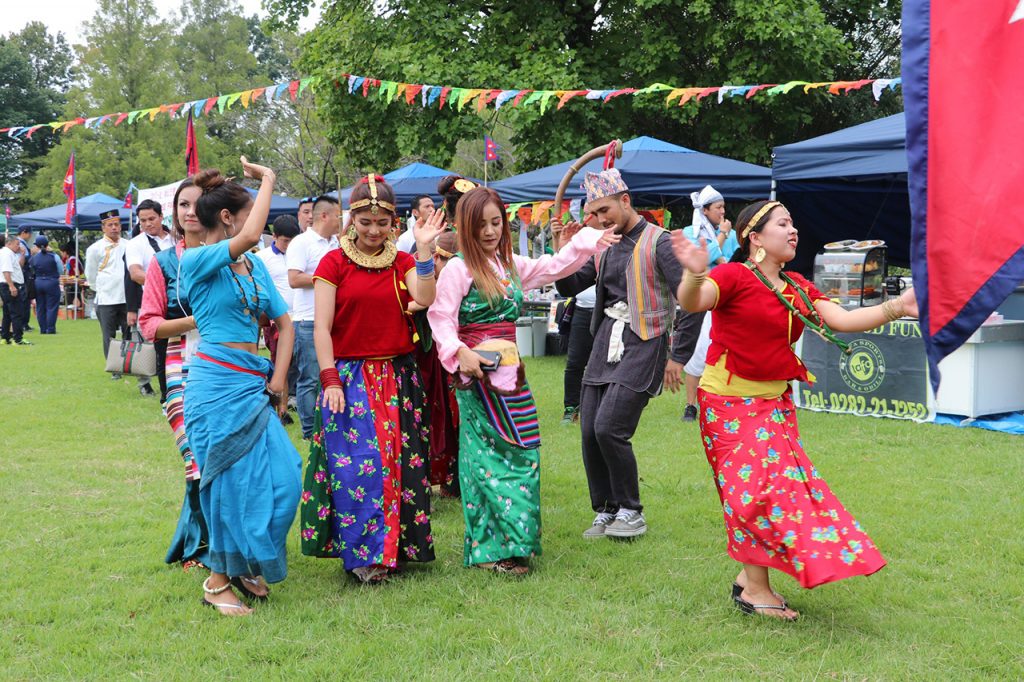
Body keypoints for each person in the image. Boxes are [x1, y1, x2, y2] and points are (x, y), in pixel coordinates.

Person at [672, 199, 916, 620]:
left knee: (773, 491)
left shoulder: (796, 287)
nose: (793, 230)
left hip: (773, 403)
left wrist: (899, 306)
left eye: (792, 224)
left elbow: (840, 319)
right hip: (727, 403)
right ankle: (756, 591)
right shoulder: (732, 276)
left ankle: (750, 581)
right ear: (755, 238)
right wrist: (695, 273)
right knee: (756, 493)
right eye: (782, 223)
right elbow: (694, 301)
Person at [429, 186, 618, 576]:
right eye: (480, 225)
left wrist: (586, 239)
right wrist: (458, 352)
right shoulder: (458, 269)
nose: (489, 231)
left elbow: (554, 266)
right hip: (477, 377)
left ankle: (517, 542)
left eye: (496, 223)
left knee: (523, 453)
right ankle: (494, 551)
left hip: (512, 376)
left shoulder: (509, 265)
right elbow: (441, 317)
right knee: (485, 461)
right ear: (465, 226)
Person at [299, 175, 443, 584]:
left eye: (382, 223)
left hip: (398, 377)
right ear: (351, 219)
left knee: (398, 465)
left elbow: (426, 298)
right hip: (350, 377)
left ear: (393, 222)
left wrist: (426, 248)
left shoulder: (402, 262)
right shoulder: (333, 262)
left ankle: (394, 550)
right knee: (359, 468)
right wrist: (329, 380)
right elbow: (322, 327)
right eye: (366, 222)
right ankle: (365, 556)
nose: (374, 231)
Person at [179, 159, 301, 616]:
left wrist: (279, 378)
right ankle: (217, 581)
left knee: (286, 478)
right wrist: (268, 178)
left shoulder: (250, 268)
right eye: (250, 210)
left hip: (254, 384)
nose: (257, 221)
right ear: (229, 218)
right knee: (230, 485)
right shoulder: (196, 260)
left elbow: (285, 324)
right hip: (215, 385)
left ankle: (245, 560)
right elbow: (250, 236)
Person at [554, 169, 685, 540]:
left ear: (625, 200)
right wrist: (566, 250)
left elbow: (691, 301)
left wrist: (679, 356)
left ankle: (632, 511)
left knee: (609, 427)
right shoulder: (603, 243)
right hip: (606, 339)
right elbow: (570, 285)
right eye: (593, 214)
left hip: (647, 340)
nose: (599, 219)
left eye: (605, 210)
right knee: (589, 429)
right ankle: (607, 510)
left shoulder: (660, 242)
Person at [138, 177, 211, 570]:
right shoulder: (164, 262)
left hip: (229, 365)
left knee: (222, 457)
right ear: (175, 213)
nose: (190, 212)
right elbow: (149, 325)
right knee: (195, 458)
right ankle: (198, 548)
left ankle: (223, 541)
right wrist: (197, 321)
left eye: (198, 204)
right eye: (183, 205)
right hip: (180, 364)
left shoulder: (231, 256)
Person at [675, 185, 737, 421]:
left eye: (723, 207)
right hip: (699, 297)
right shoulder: (690, 232)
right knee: (696, 351)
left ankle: (723, 401)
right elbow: (701, 259)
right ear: (706, 210)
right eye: (718, 207)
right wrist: (720, 235)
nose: (723, 211)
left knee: (727, 351)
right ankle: (691, 405)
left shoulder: (731, 235)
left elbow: (734, 262)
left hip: (724, 298)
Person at [410, 230, 461, 496]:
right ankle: (430, 478)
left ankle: (450, 479)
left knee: (447, 417)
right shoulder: (421, 278)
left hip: (445, 361)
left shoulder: (456, 281)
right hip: (424, 359)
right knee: (429, 414)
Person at [286, 195, 341, 440]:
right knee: (309, 378)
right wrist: (328, 278)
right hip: (308, 320)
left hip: (335, 319)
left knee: (332, 375)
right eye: (338, 215)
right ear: (324, 216)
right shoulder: (301, 242)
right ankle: (309, 432)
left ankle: (329, 425)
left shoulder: (338, 243)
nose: (341, 220)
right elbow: (295, 279)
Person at [125, 199, 173, 399]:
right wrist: (167, 283)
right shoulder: (136, 244)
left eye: (151, 219)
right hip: (155, 303)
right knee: (159, 350)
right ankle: (165, 395)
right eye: (142, 220)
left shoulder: (177, 238)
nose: (147, 224)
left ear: (161, 217)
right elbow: (135, 273)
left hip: (182, 302)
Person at [256, 214, 300, 425]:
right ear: (274, 236)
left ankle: (292, 402)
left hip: (301, 316)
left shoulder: (299, 254)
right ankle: (281, 408)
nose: (289, 246)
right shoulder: (263, 258)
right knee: (280, 363)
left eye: (293, 241)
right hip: (277, 320)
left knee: (300, 365)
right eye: (285, 241)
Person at [85, 210, 133, 378]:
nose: (114, 228)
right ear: (103, 228)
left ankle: (128, 364)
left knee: (129, 332)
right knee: (109, 335)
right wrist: (99, 288)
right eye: (110, 225)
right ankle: (114, 369)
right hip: (106, 298)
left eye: (117, 224)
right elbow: (90, 274)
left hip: (127, 296)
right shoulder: (95, 248)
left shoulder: (129, 245)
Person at [29, 235, 62, 334]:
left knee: (40, 306)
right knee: (51, 306)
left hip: (38, 282)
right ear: (48, 245)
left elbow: (32, 270)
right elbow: (60, 270)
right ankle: (50, 328)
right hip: (51, 282)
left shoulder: (34, 258)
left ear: (37, 246)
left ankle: (43, 328)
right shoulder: (54, 256)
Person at [0, 235, 29, 345]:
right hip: (10, 285)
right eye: (17, 244)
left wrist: (22, 254)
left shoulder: (9, 254)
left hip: (6, 285)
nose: (19, 246)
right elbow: (6, 271)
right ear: (9, 243)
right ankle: (18, 339)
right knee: (16, 312)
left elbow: (19, 266)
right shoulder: (7, 254)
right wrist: (11, 286)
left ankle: (5, 336)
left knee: (7, 312)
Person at [16, 227, 35, 332]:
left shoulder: (22, 243)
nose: (30, 236)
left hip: (24, 274)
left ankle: (25, 323)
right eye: (29, 234)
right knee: (24, 299)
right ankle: (23, 323)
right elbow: (24, 260)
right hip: (23, 274)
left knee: (26, 299)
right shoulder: (20, 244)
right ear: (24, 233)